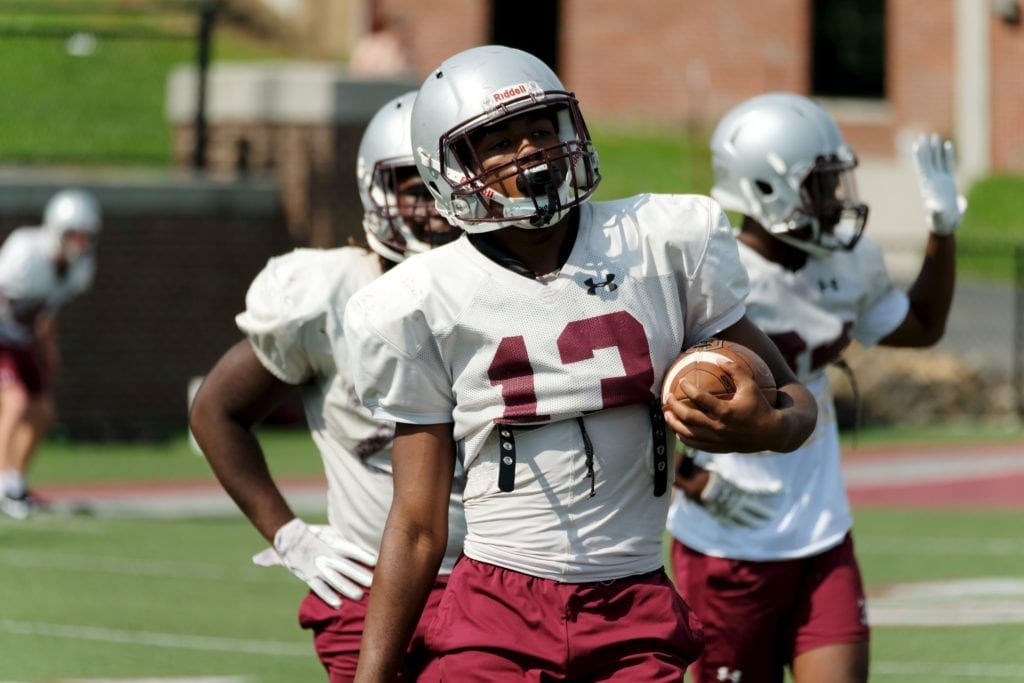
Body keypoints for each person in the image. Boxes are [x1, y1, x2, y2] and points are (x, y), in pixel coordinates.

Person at [343, 45, 818, 682]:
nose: (530, 153)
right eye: (498, 142)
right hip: (495, 606)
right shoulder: (423, 299)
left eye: (540, 130)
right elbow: (418, 525)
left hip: (634, 605)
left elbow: (794, 398)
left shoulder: (661, 242)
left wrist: (771, 430)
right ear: (449, 168)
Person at [666, 92, 964, 683]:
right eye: (820, 187)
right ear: (765, 189)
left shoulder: (851, 263)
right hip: (729, 543)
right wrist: (694, 483)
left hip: (822, 528)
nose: (836, 202)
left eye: (835, 184)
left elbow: (922, 326)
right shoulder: (707, 269)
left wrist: (942, 232)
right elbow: (634, 400)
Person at [188, 90, 466, 682]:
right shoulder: (331, 296)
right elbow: (217, 411)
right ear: (376, 191)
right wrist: (288, 535)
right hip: (371, 581)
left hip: (493, 582)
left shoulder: (511, 286)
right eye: (417, 188)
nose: (438, 208)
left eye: (450, 184)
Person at [0, 188, 101, 520]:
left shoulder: (78, 269)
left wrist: (49, 348)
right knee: (15, 401)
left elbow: (47, 312)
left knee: (43, 412)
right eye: (75, 234)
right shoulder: (26, 251)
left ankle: (14, 483)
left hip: (20, 339)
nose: (81, 242)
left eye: (86, 236)